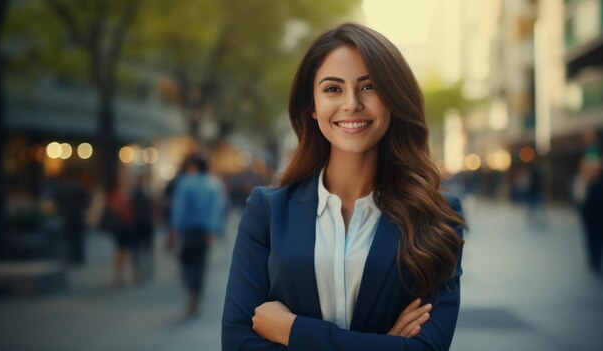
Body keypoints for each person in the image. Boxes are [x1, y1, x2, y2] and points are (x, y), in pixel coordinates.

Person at [222, 23, 466, 350]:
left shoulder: (438, 218)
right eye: (333, 89)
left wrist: (291, 330)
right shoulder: (266, 212)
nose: (351, 104)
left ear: (393, 99)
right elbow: (238, 343)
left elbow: (427, 349)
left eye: (369, 87)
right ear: (312, 105)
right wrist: (381, 344)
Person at [168, 155, 225, 316]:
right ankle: (196, 294)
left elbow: (179, 209)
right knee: (200, 265)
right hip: (205, 232)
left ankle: (190, 290)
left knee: (186, 261)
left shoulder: (185, 183)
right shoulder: (214, 184)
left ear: (193, 166)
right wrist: (213, 230)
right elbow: (217, 209)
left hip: (188, 231)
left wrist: (174, 229)